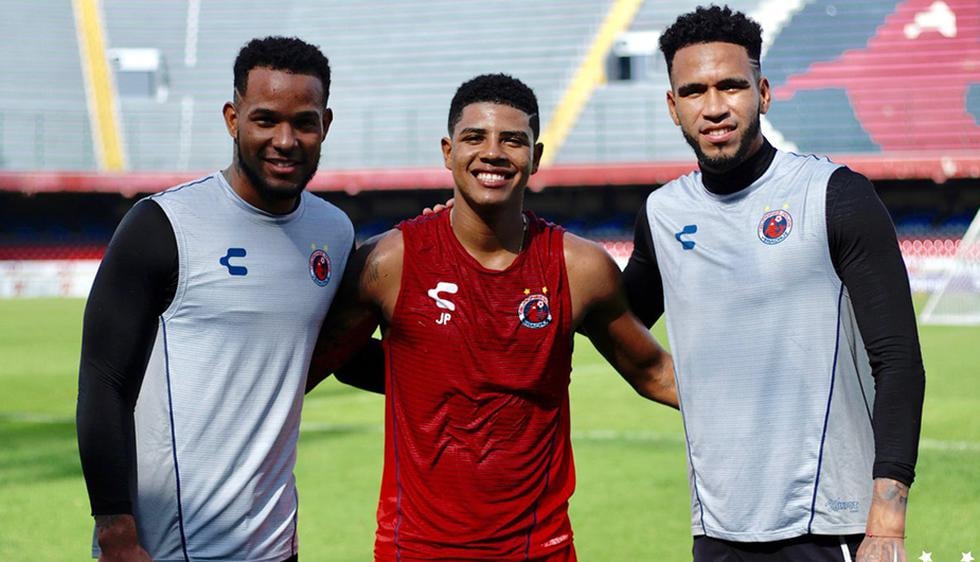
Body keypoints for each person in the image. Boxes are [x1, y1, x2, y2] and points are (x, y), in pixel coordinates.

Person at [306, 73, 678, 561]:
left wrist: (765, 410)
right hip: (416, 550)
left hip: (538, 549)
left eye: (513, 140)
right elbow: (326, 361)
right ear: (447, 151)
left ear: (536, 157)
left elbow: (652, 371)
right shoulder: (390, 262)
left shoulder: (580, 268)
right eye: (475, 137)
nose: (493, 153)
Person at [620, 6, 926, 561]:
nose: (714, 107)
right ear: (673, 106)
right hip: (716, 527)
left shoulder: (834, 194)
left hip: (828, 524)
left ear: (762, 92)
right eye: (693, 91)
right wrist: (670, 383)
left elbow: (899, 360)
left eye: (731, 86)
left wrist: (887, 517)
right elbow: (612, 316)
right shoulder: (662, 213)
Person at [76, 36, 355, 562]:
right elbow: (102, 383)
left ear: (326, 125)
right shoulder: (163, 225)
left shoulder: (333, 232)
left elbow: (346, 353)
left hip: (275, 545)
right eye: (265, 119)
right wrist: (115, 532)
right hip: (170, 547)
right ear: (233, 118)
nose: (285, 140)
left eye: (304, 122)